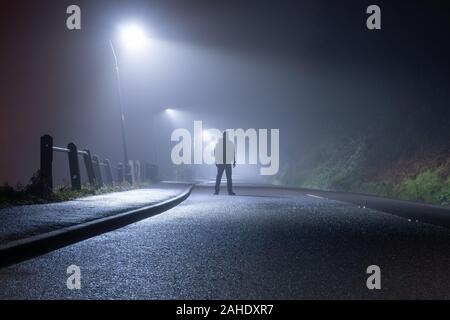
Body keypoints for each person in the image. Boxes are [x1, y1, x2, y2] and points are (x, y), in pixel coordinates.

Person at [214, 130, 236, 195]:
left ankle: (217, 191)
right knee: (228, 178)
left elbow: (215, 152)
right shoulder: (230, 143)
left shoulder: (218, 143)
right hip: (227, 162)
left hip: (221, 162)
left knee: (219, 177)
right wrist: (234, 161)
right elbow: (233, 152)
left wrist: (216, 161)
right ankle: (230, 191)